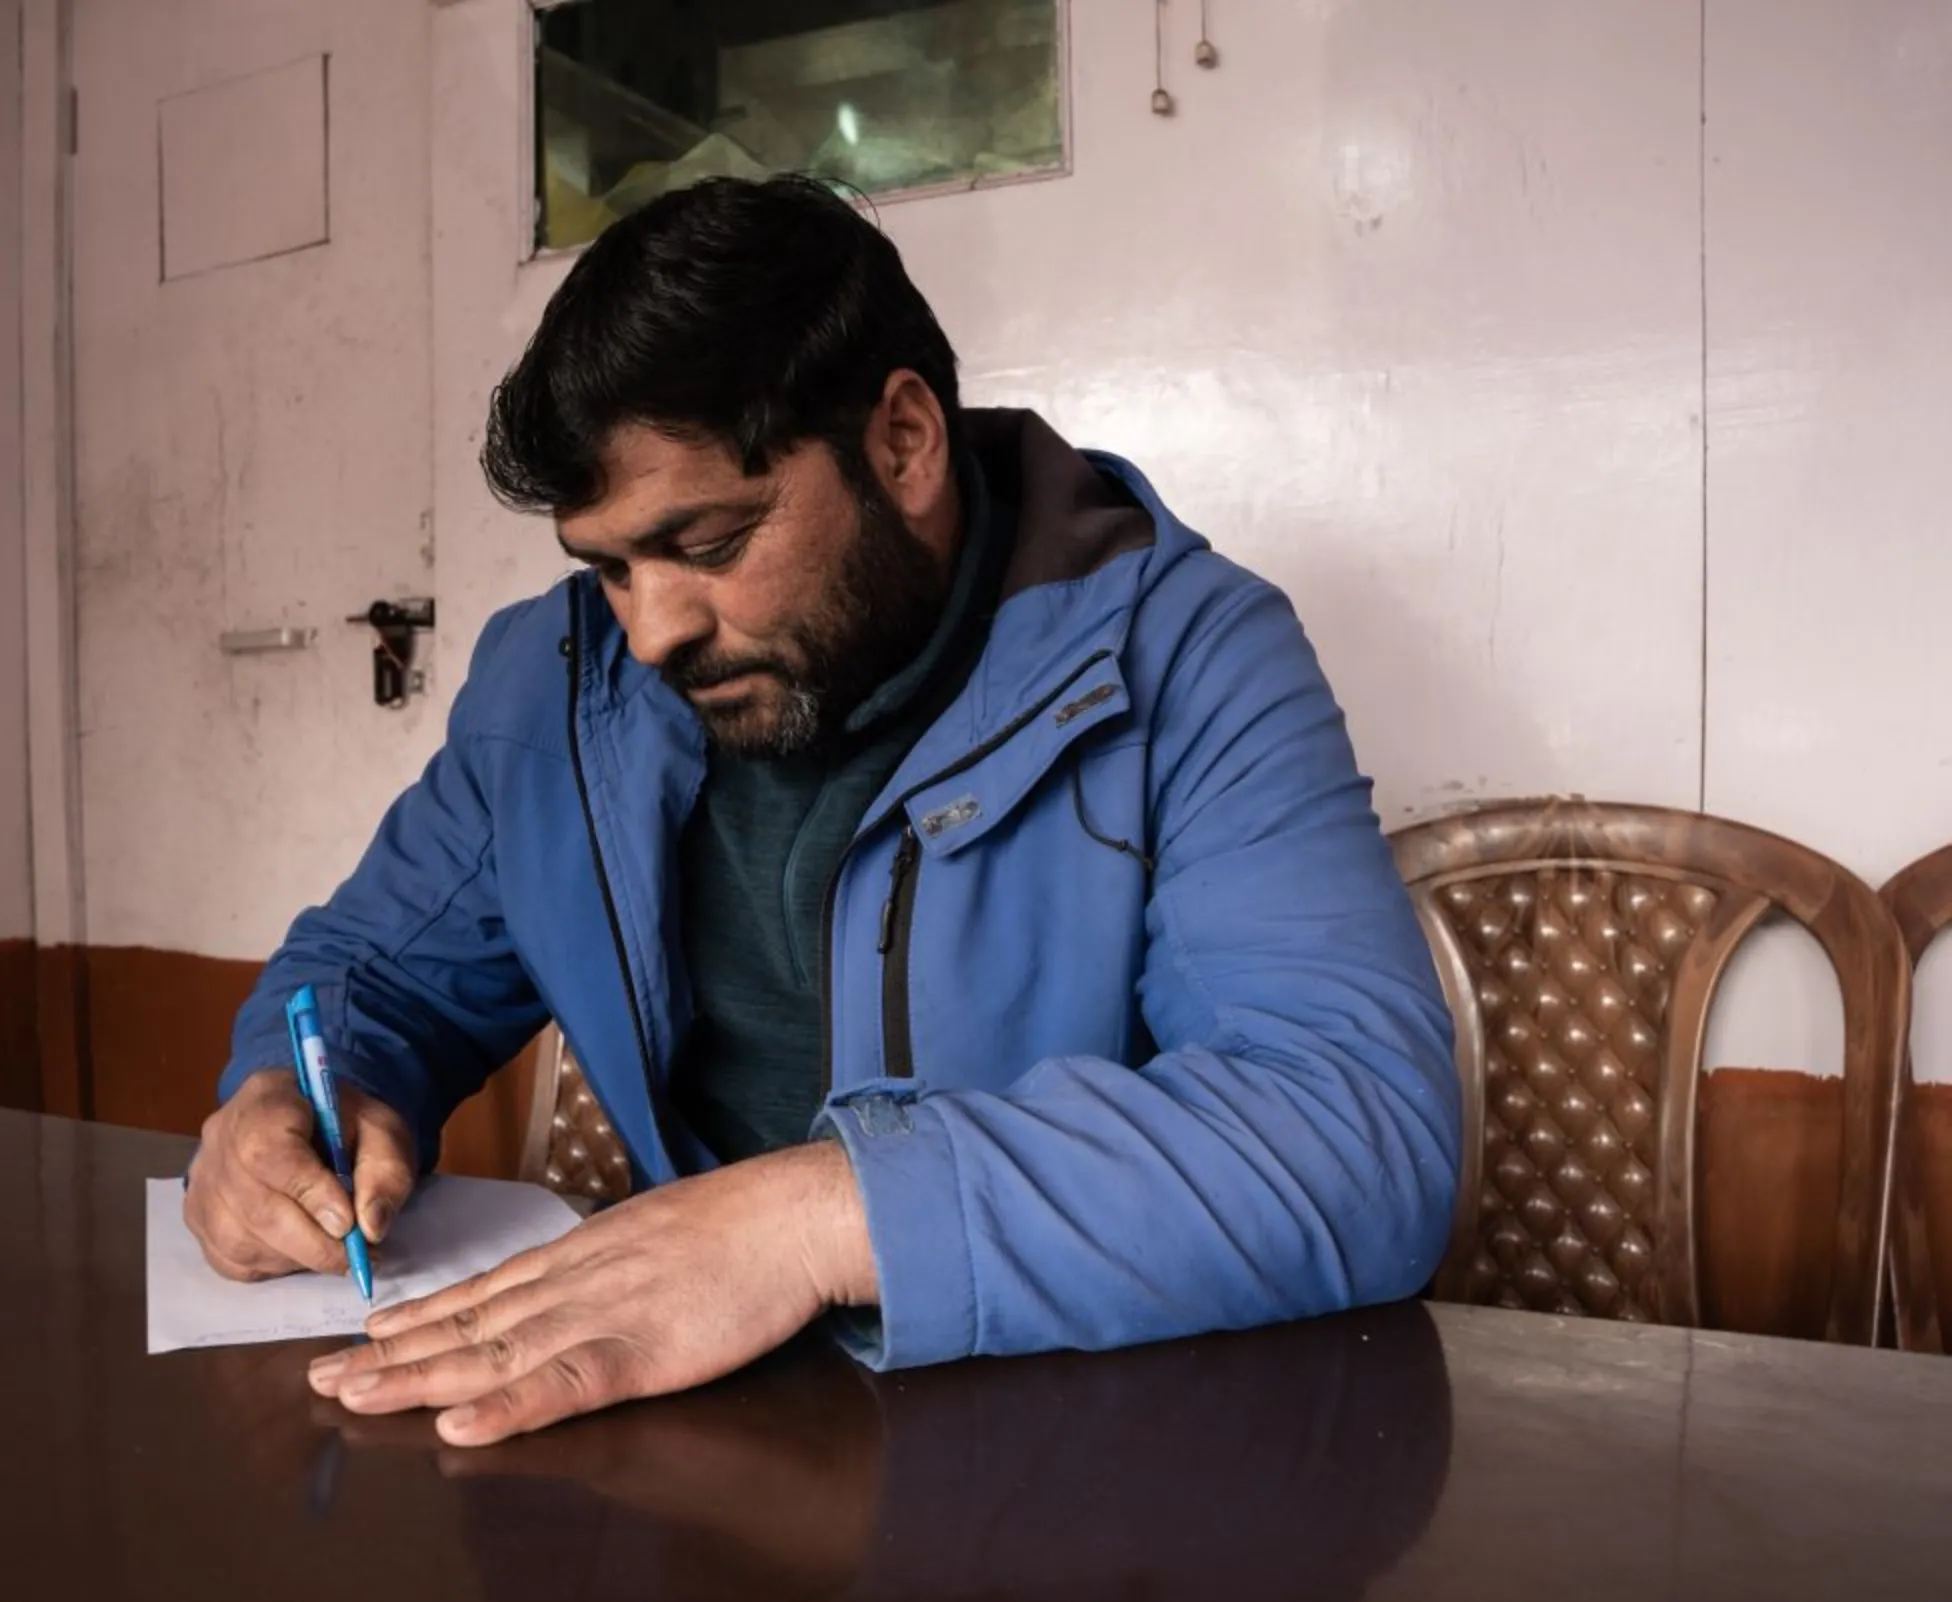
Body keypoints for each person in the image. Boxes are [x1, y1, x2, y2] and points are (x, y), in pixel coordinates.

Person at [183, 174, 1459, 1448]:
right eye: (609, 567)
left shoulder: (1185, 658)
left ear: (901, 441)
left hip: (1086, 1460)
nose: (653, 632)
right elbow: (370, 970)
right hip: (697, 1444)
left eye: (711, 543)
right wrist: (296, 1102)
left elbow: (1354, 1133)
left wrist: (815, 1220)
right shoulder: (556, 690)